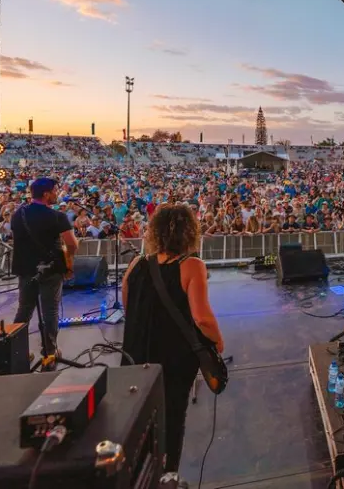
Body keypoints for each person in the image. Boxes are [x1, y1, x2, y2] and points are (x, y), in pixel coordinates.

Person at [121, 204, 224, 489]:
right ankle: (167, 477)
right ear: (190, 232)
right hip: (173, 358)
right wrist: (217, 341)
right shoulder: (192, 265)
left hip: (136, 352)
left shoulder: (137, 264)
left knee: (139, 421)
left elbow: (128, 304)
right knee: (172, 417)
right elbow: (202, 317)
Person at [11, 178, 78, 360]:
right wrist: (68, 259)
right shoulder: (57, 216)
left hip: (25, 269)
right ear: (47, 194)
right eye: (55, 190)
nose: (58, 194)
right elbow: (72, 243)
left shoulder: (18, 215)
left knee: (24, 309)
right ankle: (49, 351)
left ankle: (16, 351)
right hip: (50, 269)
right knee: (50, 311)